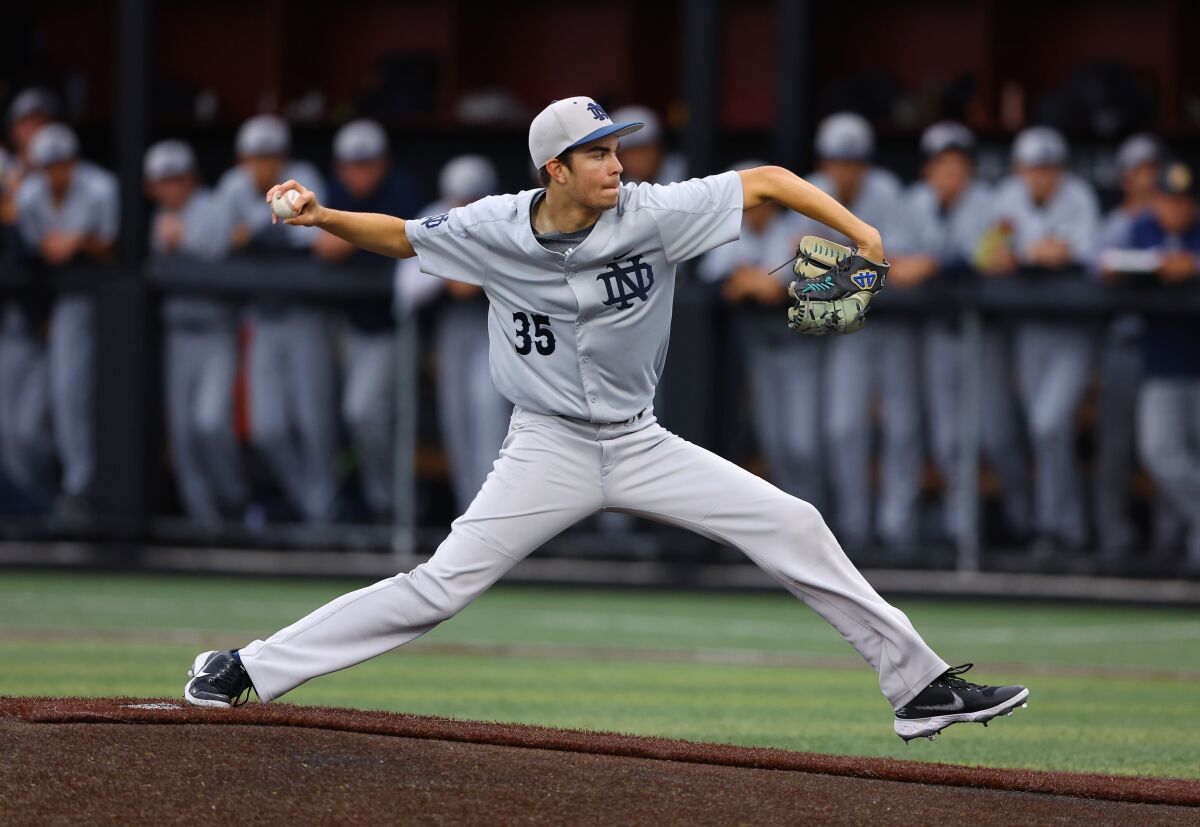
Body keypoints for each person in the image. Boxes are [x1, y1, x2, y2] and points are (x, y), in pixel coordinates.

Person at [184, 96, 1028, 743]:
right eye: (597, 151)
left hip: (638, 438)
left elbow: (767, 181)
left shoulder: (653, 211)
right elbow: (403, 236)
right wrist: (321, 215)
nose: (616, 162)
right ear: (555, 168)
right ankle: (245, 666)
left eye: (616, 146)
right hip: (544, 445)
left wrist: (859, 230)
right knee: (437, 589)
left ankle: (918, 687)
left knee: (792, 520)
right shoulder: (490, 225)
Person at [793, 113, 919, 552]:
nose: (844, 169)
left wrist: (842, 270)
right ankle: (852, 529)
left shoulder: (886, 191)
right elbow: (796, 269)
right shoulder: (808, 187)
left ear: (865, 163)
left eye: (853, 161)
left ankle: (898, 529)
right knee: (843, 427)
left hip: (894, 324)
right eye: (836, 160)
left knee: (902, 427)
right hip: (846, 327)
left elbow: (904, 267)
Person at [977, 126, 1101, 561]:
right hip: (1029, 330)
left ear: (1060, 170)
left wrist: (1027, 254)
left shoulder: (1079, 196)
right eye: (1034, 168)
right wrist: (1028, 253)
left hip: (1073, 330)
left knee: (1050, 424)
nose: (1042, 176)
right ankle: (1055, 528)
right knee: (1042, 431)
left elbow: (1082, 254)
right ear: (1020, 169)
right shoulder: (1007, 196)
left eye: (1049, 168)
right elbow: (988, 255)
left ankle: (1061, 528)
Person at [217, 115, 336, 523]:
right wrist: (261, 235)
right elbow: (220, 242)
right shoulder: (232, 187)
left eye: (270, 157)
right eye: (255, 157)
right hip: (263, 316)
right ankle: (310, 506)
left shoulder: (303, 179)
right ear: (242, 159)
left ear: (282, 157)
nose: (263, 166)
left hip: (305, 313)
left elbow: (313, 241)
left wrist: (256, 236)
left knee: (313, 422)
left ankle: (323, 512)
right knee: (266, 427)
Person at [887, 123, 996, 546]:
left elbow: (992, 259)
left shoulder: (988, 203)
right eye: (941, 166)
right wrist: (925, 265)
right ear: (928, 170)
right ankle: (897, 533)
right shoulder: (910, 202)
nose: (949, 175)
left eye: (957, 167)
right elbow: (892, 263)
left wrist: (932, 264)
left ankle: (962, 534)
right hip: (912, 333)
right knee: (904, 430)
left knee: (959, 437)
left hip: (969, 334)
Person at [698, 160, 823, 508]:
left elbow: (774, 289)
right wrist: (754, 281)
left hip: (801, 349)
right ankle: (795, 519)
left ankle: (828, 519)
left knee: (804, 444)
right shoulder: (732, 231)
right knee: (775, 444)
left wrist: (754, 280)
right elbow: (717, 282)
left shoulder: (794, 227)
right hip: (761, 352)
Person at [314, 119, 420, 521]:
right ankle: (365, 503)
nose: (358, 172)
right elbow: (321, 249)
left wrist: (347, 238)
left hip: (391, 328)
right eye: (351, 164)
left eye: (367, 163)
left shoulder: (402, 190)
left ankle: (390, 505)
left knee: (365, 412)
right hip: (341, 326)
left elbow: (407, 241)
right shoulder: (333, 192)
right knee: (335, 418)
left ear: (383, 163)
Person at [395, 155, 512, 514]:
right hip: (451, 331)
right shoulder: (435, 217)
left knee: (488, 414)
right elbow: (406, 289)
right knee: (456, 419)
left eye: (471, 197)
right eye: (458, 198)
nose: (463, 205)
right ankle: (470, 513)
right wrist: (451, 270)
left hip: (496, 329)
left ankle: (496, 514)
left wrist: (476, 273)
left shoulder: (507, 215)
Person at [15, 123, 118, 516]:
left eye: (62, 164)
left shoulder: (100, 189)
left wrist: (81, 242)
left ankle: (81, 488)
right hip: (37, 308)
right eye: (48, 166)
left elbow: (116, 249)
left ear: (74, 163)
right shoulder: (27, 196)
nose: (56, 173)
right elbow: (25, 254)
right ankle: (37, 498)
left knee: (75, 396)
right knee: (25, 422)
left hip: (92, 304)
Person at [145, 139, 248, 525]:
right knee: (184, 436)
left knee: (209, 423)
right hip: (178, 334)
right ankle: (204, 521)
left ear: (191, 179)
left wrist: (181, 242)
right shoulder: (157, 217)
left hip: (214, 329)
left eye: (177, 179)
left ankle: (235, 503)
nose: (171, 188)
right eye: (163, 181)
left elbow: (221, 259)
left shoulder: (214, 208)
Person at [1118, 161, 1200, 577]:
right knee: (1162, 453)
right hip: (1161, 366)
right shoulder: (1141, 228)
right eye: (1169, 200)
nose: (1176, 209)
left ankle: (1186, 548)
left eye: (1184, 201)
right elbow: (1106, 265)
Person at [1093, 134, 1167, 565]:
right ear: (1126, 177)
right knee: (1116, 450)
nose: (1148, 177)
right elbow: (1096, 268)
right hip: (1122, 343)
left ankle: (1170, 542)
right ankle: (1113, 540)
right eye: (1140, 169)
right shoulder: (1119, 222)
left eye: (1152, 168)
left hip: (1170, 350)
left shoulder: (1178, 219)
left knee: (1165, 451)